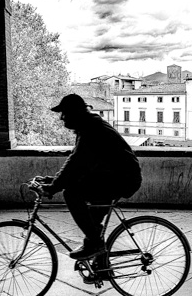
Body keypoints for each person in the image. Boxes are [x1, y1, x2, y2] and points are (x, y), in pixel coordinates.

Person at [37, 93, 142, 259]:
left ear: (74, 112)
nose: (61, 118)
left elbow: (76, 162)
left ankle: (95, 244)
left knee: (71, 193)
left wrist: (54, 187)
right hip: (115, 176)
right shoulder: (89, 125)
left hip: (120, 179)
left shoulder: (91, 129)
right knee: (93, 224)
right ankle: (102, 265)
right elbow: (79, 165)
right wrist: (54, 181)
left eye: (64, 113)